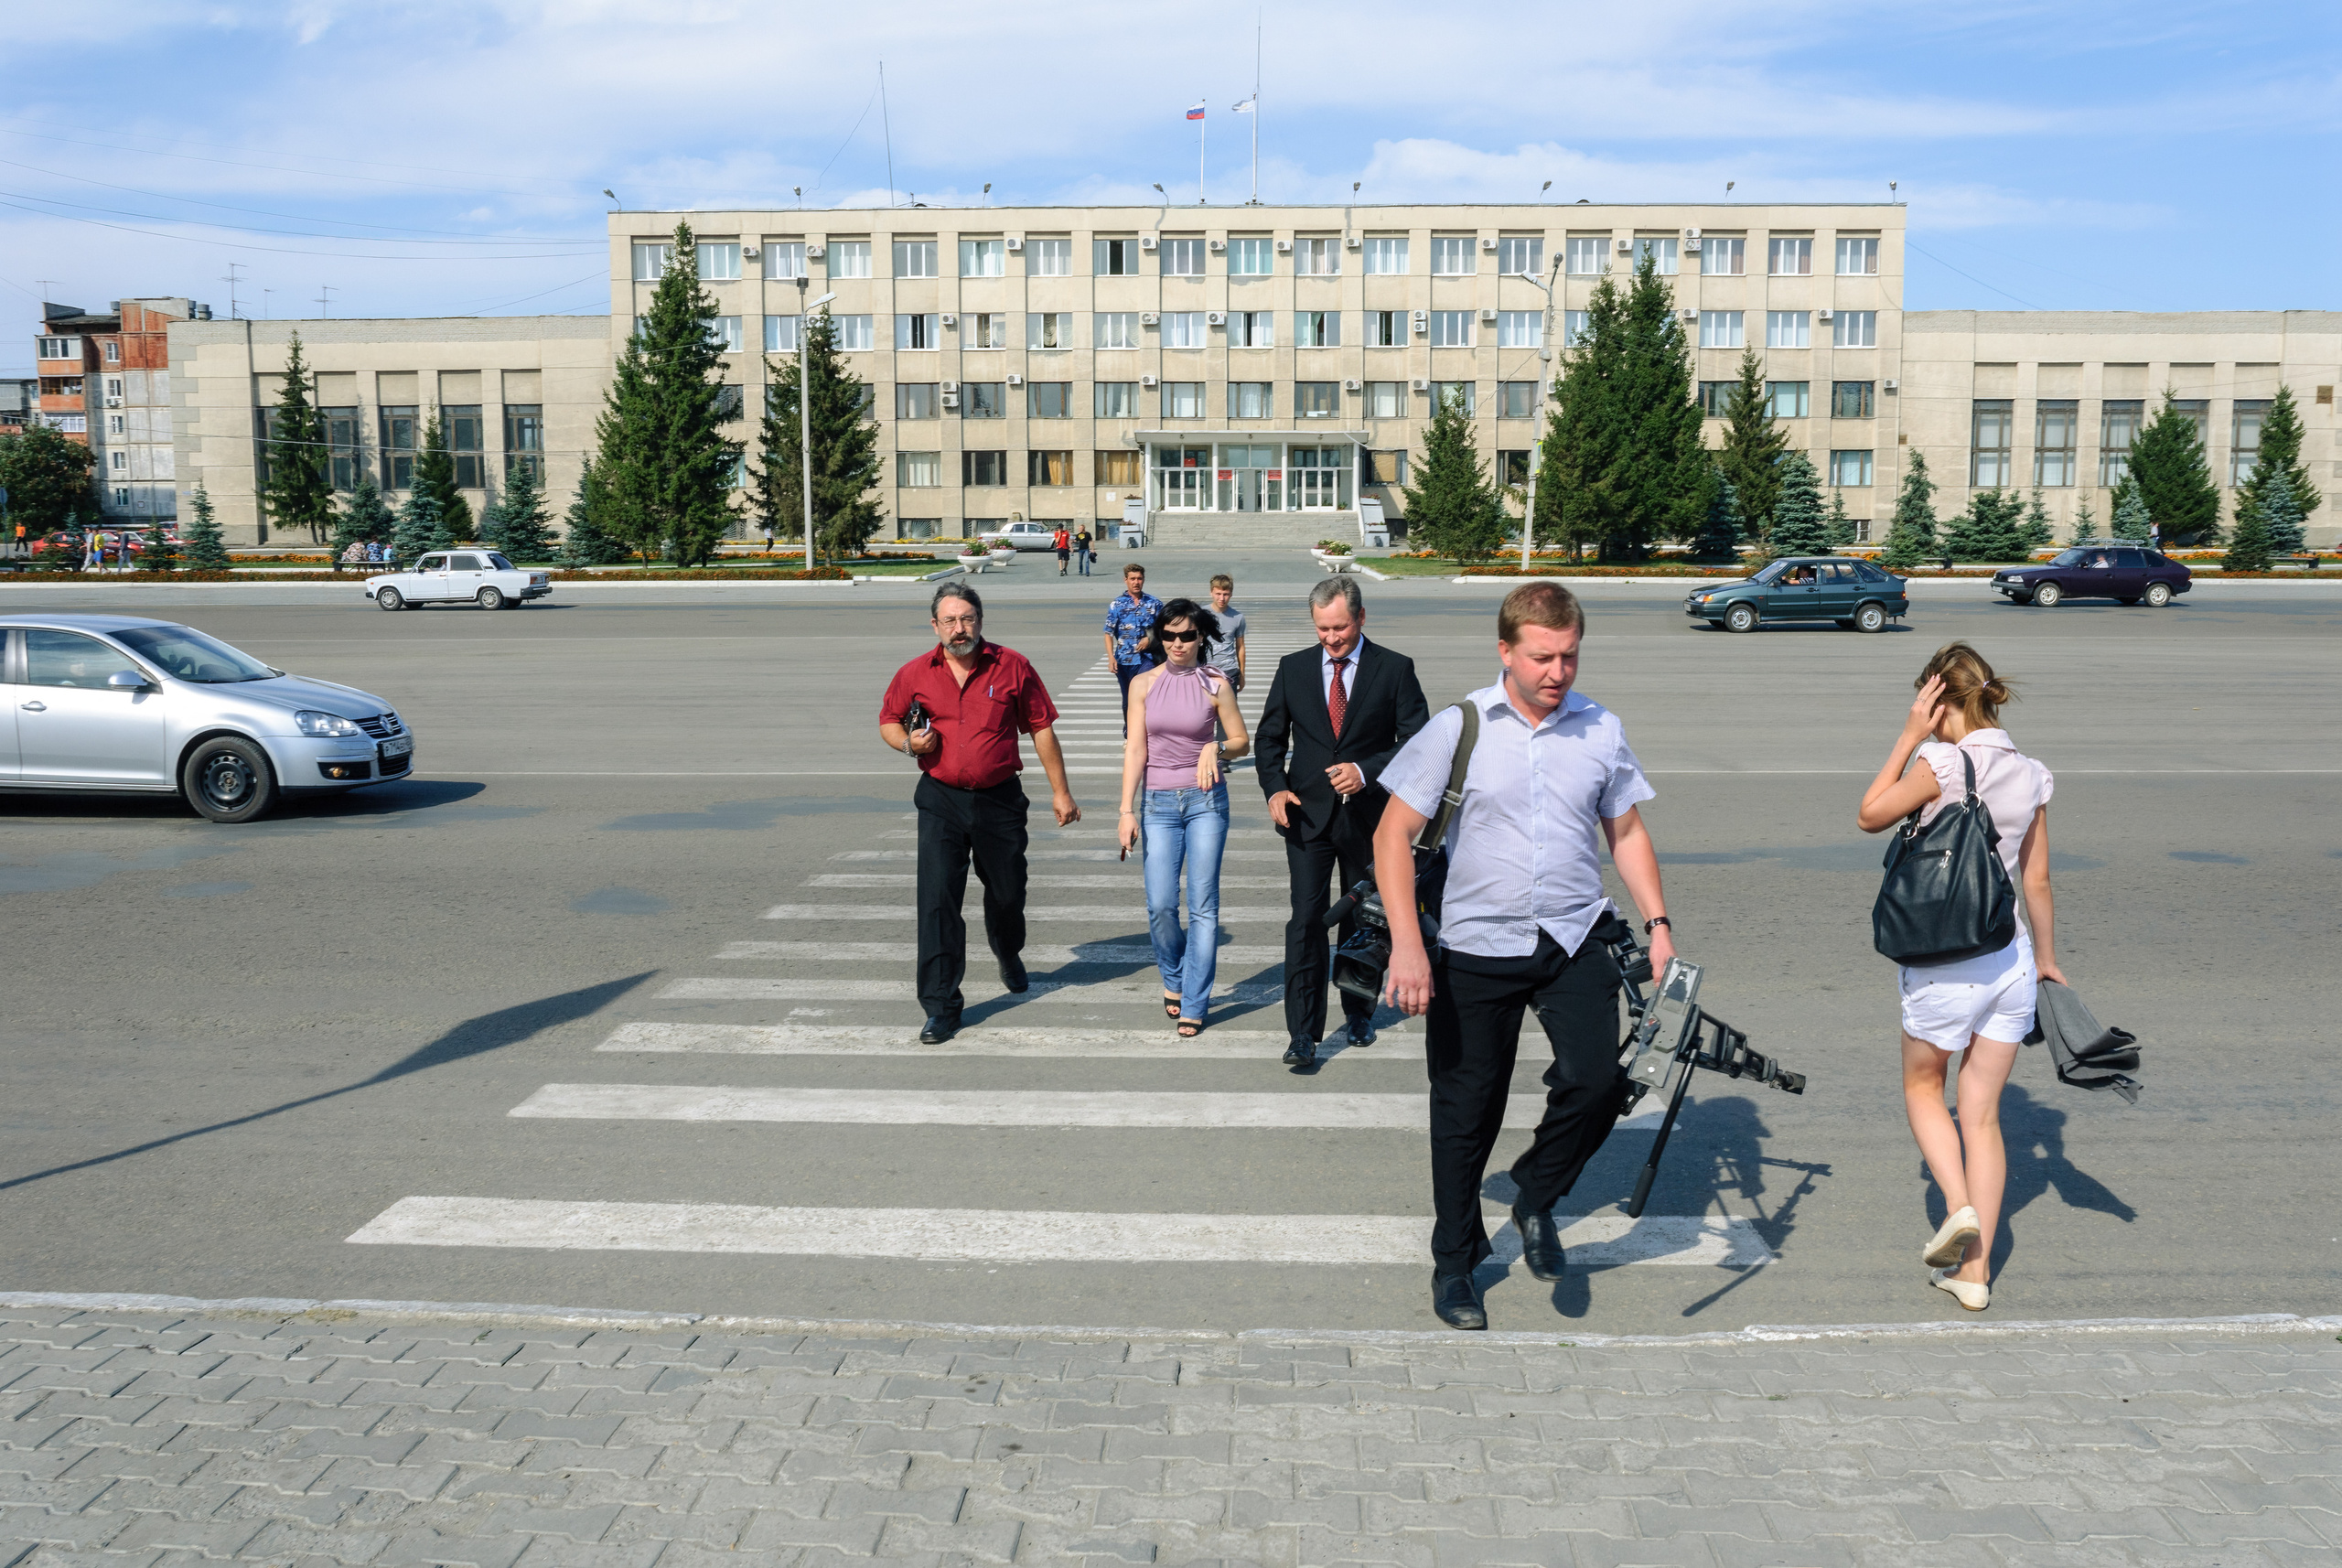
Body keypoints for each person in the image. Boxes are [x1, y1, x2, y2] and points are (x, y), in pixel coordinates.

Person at [1375, 582, 1674, 1331]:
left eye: (1570, 656)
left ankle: (1537, 1192)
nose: (1558, 671)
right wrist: (1408, 946)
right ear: (1505, 650)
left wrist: (1659, 924)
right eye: (1542, 656)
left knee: (1600, 1079)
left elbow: (1626, 833)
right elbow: (1390, 837)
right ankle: (1454, 1263)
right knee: (1466, 1109)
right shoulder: (1460, 727)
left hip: (1574, 937)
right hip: (1474, 945)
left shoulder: (1600, 729)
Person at [1856, 641, 2060, 1315]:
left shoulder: (1940, 761)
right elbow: (2036, 878)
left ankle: (1957, 1206)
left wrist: (1909, 736)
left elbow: (1870, 813)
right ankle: (1975, 1276)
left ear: (1937, 699)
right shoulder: (2031, 773)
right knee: (1984, 1117)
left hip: (1946, 961)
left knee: (1923, 1087)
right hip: (2012, 964)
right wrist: (2049, 962)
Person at [878, 583, 1082, 1045]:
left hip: (1000, 799)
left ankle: (1007, 950)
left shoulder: (1013, 666)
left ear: (981, 621)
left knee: (1008, 893)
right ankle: (941, 1007)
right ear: (935, 626)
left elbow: (1041, 728)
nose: (958, 628)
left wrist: (1061, 792)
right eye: (949, 620)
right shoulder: (914, 673)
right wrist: (909, 743)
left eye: (966, 618)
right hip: (941, 799)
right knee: (937, 903)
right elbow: (889, 721)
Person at [1255, 575, 1429, 1068]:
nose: (1332, 638)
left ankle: (1359, 1013)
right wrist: (1275, 788)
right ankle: (1303, 1032)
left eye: (1340, 628)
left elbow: (1417, 741)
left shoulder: (1393, 669)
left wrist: (1365, 771)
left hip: (1371, 824)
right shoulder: (1293, 669)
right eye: (1323, 629)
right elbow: (1270, 739)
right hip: (1305, 819)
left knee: (1362, 923)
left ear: (1361, 617)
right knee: (1306, 921)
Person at [1118, 598, 1251, 1036]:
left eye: (1188, 635)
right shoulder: (1143, 683)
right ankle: (1173, 978)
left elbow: (1240, 740)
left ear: (1201, 638)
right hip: (1156, 804)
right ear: (1160, 636)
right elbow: (1136, 748)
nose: (1178, 643)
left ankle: (1195, 999)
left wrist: (1216, 746)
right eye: (1169, 635)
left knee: (1203, 906)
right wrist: (1125, 810)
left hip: (1206, 802)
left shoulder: (1215, 682)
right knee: (1159, 905)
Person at [1103, 563, 1164, 733]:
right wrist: (1111, 658)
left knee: (1147, 696)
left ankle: (1148, 730)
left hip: (1148, 659)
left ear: (1143, 580)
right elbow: (1108, 633)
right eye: (1132, 579)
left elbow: (1164, 629)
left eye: (1139, 578)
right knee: (1128, 699)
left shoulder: (1155, 604)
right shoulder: (1117, 605)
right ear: (1126, 580)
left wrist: (1149, 639)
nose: (1136, 582)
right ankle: (1130, 731)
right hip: (1124, 660)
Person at [1204, 575, 1247, 693]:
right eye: (1218, 594)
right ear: (1211, 592)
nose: (1222, 598)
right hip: (1205, 670)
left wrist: (1242, 674)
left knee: (1228, 710)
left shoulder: (1238, 617)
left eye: (1226, 594)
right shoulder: (1201, 614)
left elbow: (1240, 647)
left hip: (1229, 671)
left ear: (1231, 594)